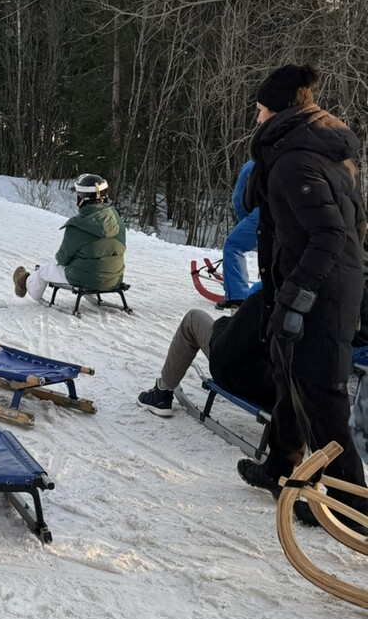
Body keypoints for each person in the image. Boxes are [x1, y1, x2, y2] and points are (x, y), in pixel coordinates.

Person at [236, 63, 368, 522]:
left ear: (276, 111)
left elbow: (332, 234)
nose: (256, 120)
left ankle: (352, 504)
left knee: (321, 392)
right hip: (310, 280)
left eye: (258, 111)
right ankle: (281, 467)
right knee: (286, 373)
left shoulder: (294, 159)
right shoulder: (324, 149)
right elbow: (359, 223)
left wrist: (300, 296)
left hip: (320, 289)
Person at [137, 289, 274, 416]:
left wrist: (223, 323)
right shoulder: (293, 311)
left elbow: (223, 351)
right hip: (283, 394)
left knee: (193, 318)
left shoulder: (266, 299)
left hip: (246, 381)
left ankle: (162, 393)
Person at [13, 173, 126, 302]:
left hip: (85, 278)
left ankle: (24, 282)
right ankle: (95, 282)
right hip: (114, 278)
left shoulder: (78, 225)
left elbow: (62, 259)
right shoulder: (117, 220)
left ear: (81, 199)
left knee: (45, 271)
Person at [216, 159, 261, 308]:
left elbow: (238, 198)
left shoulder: (253, 163)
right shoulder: (292, 157)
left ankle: (237, 296)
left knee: (233, 245)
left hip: (263, 213)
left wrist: (243, 222)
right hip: (293, 215)